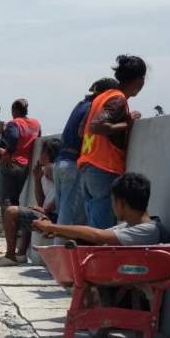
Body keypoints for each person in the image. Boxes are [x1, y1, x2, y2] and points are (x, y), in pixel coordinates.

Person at [77, 55, 147, 229]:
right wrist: (128, 123)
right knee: (103, 232)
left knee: (95, 229)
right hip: (104, 169)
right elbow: (96, 126)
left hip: (88, 168)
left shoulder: (102, 97)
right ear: (140, 80)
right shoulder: (118, 99)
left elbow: (82, 130)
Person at [54, 78, 120, 229]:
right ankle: (64, 253)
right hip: (74, 164)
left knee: (63, 218)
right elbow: (81, 131)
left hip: (60, 162)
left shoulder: (80, 105)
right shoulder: (94, 107)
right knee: (69, 224)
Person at [33, 172, 164, 246]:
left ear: (121, 203)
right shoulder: (129, 226)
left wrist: (51, 227)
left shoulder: (148, 230)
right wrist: (57, 232)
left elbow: (96, 235)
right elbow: (93, 234)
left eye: (113, 202)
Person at [0, 138, 61, 265]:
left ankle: (10, 256)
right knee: (30, 210)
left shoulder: (50, 168)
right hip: (50, 212)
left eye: (42, 152)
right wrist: (37, 180)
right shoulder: (45, 171)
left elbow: (63, 192)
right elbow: (42, 201)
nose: (39, 155)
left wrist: (47, 209)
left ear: (48, 153)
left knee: (10, 211)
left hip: (54, 215)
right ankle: (21, 254)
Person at [0, 99, 41, 207]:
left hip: (12, 163)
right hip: (26, 166)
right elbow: (38, 139)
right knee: (16, 197)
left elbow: (13, 138)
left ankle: (7, 222)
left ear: (14, 111)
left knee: (6, 198)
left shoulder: (14, 123)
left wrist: (8, 153)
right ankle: (14, 222)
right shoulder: (36, 124)